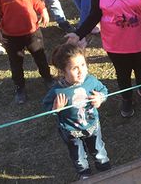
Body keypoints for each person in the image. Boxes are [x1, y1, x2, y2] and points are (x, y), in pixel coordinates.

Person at [43, 43, 110, 180]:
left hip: (92, 125)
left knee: (98, 149)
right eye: (75, 68)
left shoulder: (91, 81)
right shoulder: (57, 91)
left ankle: (105, 169)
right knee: (78, 156)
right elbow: (46, 106)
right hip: (71, 131)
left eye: (83, 65)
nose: (81, 71)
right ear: (63, 71)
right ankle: (85, 174)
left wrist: (100, 98)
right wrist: (56, 109)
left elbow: (103, 90)